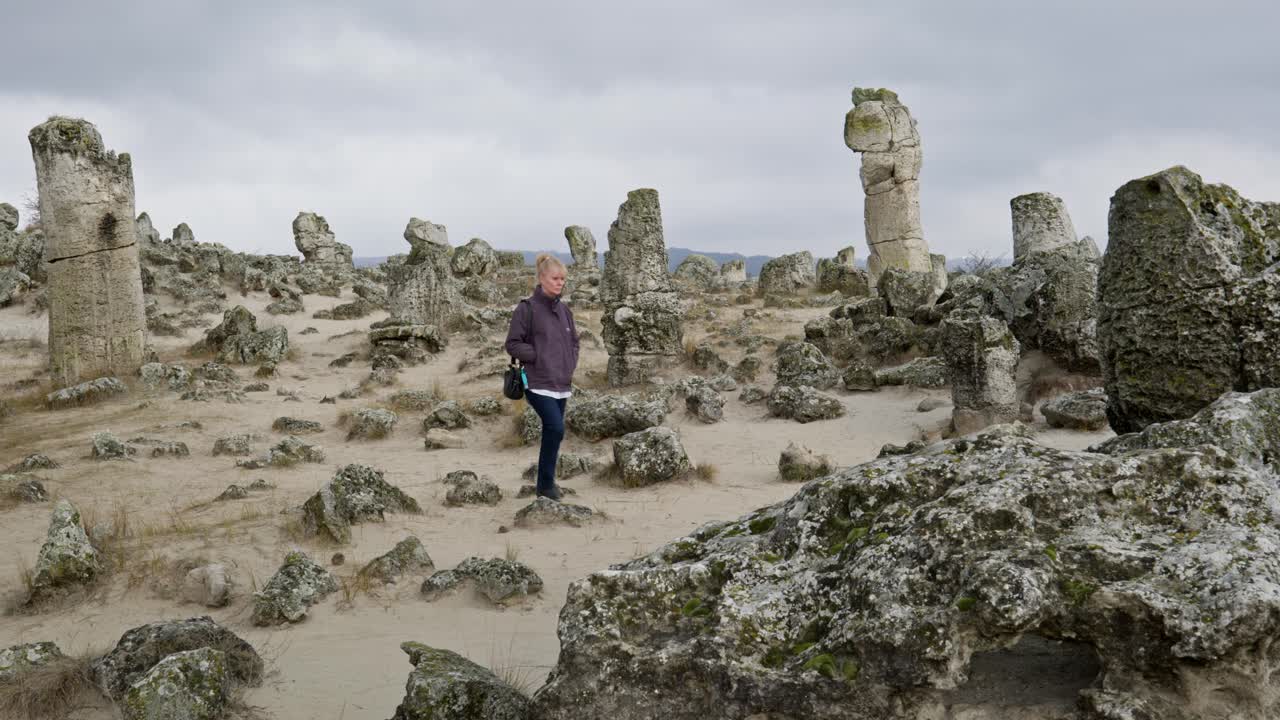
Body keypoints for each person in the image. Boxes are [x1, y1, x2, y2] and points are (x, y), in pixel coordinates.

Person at [504, 253, 580, 501]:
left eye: (563, 279)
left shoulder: (565, 311)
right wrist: (537, 355)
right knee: (555, 428)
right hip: (536, 382)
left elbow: (574, 342)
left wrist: (570, 363)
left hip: (561, 382)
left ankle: (545, 486)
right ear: (542, 278)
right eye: (555, 278)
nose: (560, 283)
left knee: (554, 432)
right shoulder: (526, 309)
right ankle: (545, 485)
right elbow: (513, 344)